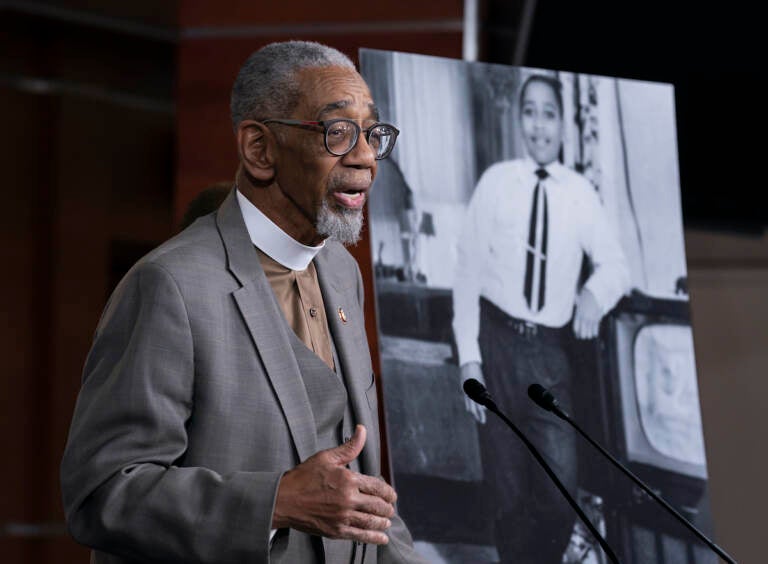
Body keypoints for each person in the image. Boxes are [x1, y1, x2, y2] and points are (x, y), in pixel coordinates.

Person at [61, 40, 426, 564]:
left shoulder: (342, 271)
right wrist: (275, 502)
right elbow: (102, 493)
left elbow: (359, 498)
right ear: (259, 149)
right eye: (338, 131)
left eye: (372, 133)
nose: (366, 156)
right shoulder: (171, 285)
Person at [452, 74, 630, 563]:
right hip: (497, 346)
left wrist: (593, 296)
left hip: (550, 355)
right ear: (519, 119)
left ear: (563, 125)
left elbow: (617, 266)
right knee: (507, 499)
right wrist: (470, 360)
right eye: (529, 111)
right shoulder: (496, 183)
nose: (539, 125)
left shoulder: (580, 194)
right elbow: (466, 272)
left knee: (559, 493)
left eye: (548, 113)